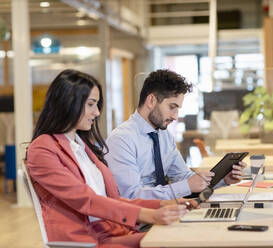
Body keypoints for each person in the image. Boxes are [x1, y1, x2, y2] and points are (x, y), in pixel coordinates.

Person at [26, 69, 196, 248]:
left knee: (185, 236)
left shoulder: (81, 146)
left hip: (111, 231)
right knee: (179, 240)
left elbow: (112, 198)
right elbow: (87, 200)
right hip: (89, 240)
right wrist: (150, 215)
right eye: (91, 104)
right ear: (68, 103)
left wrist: (166, 203)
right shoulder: (43, 149)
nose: (97, 112)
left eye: (97, 104)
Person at [105, 69, 246, 200]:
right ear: (151, 101)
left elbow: (183, 177)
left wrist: (222, 180)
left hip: (167, 212)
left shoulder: (163, 135)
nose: (175, 116)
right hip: (140, 222)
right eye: (172, 107)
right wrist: (186, 186)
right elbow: (131, 196)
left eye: (178, 109)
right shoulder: (121, 140)